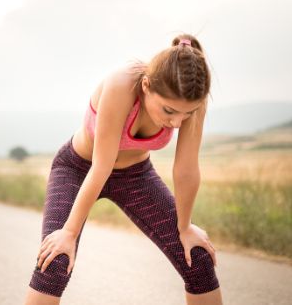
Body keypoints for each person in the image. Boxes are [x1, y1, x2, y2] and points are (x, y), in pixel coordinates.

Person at [24, 34, 223, 305]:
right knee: (56, 260)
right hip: (78, 169)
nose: (177, 123)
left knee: (196, 259)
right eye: (168, 111)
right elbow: (101, 166)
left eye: (186, 114)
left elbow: (186, 169)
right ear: (146, 86)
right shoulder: (121, 84)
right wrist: (68, 233)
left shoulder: (191, 100)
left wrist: (185, 226)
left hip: (135, 176)